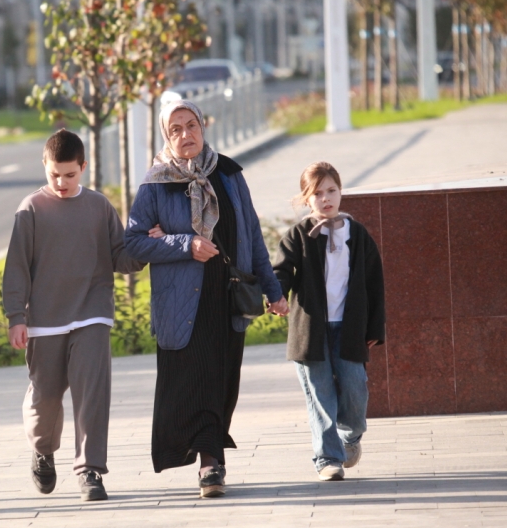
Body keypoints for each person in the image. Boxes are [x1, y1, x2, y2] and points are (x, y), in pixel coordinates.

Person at [123, 100, 288, 498]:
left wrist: (273, 290)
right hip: (182, 302)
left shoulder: (228, 173)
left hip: (228, 297)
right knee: (195, 382)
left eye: (191, 125)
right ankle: (209, 462)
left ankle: (213, 457)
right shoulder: (156, 184)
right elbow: (133, 243)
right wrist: (184, 244)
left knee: (222, 381)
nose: (186, 134)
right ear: (166, 136)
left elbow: (251, 235)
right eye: (175, 129)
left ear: (202, 126)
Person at [2, 129, 145, 502]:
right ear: (45, 166)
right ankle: (42, 449)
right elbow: (16, 268)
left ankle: (90, 470)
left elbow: (120, 256)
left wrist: (148, 247)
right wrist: (16, 316)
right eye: (55, 174)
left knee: (92, 394)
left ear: (83, 167)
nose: (62, 182)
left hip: (92, 314)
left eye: (70, 174)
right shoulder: (31, 209)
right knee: (45, 398)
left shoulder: (98, 206)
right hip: (44, 320)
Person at [272, 162, 385, 481]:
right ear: (306, 199)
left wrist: (375, 327)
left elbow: (375, 282)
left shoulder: (357, 234)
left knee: (355, 390)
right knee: (321, 396)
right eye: (317, 193)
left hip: (349, 329)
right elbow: (281, 270)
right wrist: (276, 295)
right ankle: (327, 458)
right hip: (310, 331)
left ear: (341, 192)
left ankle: (350, 439)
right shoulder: (298, 234)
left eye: (332, 190)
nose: (326, 198)